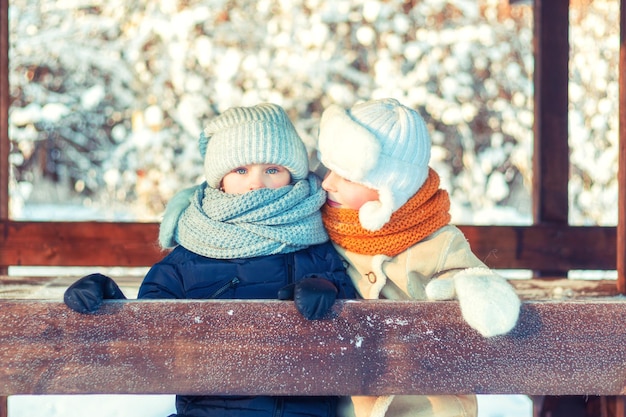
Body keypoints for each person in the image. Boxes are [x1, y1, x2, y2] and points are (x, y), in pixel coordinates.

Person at [64, 103, 357, 417]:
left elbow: (355, 333)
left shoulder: (314, 246)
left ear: (292, 175)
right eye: (240, 170)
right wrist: (109, 302)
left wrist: (330, 293)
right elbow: (147, 337)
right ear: (219, 180)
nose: (256, 183)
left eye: (272, 169)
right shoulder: (188, 258)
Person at [316, 98, 522, 417]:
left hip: (430, 402)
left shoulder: (436, 241)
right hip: (352, 401)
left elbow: (471, 277)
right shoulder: (323, 231)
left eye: (346, 176)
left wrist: (467, 288)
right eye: (329, 169)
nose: (328, 182)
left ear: (389, 188)